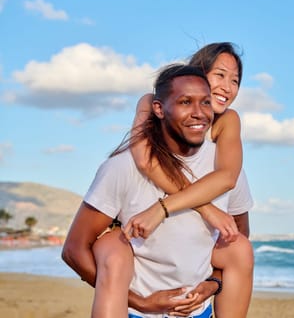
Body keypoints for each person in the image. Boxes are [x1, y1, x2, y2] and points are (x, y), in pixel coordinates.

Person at [62, 64, 253, 318]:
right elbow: (74, 250)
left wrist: (213, 283)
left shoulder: (225, 168)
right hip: (135, 312)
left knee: (240, 248)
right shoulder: (123, 167)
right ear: (159, 109)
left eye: (205, 103)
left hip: (196, 312)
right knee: (111, 246)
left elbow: (238, 235)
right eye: (186, 102)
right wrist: (140, 303)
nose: (199, 113)